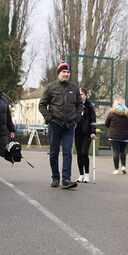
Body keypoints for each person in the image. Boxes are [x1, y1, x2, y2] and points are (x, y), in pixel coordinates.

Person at [38, 61, 82, 189]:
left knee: (67, 151)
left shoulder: (74, 88)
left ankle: (66, 178)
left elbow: (80, 104)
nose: (66, 74)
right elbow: (42, 105)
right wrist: (49, 118)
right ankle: (55, 177)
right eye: (63, 72)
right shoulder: (50, 87)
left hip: (69, 125)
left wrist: (77, 118)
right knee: (54, 152)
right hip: (55, 124)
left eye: (68, 72)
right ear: (58, 73)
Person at [75, 88, 98, 183]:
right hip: (77, 132)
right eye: (79, 94)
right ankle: (81, 174)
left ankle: (87, 174)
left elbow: (93, 119)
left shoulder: (89, 106)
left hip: (87, 133)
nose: (81, 96)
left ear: (86, 95)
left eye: (82, 94)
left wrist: (93, 131)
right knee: (79, 154)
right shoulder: (75, 106)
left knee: (84, 152)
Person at [104, 104, 128, 174]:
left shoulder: (111, 114)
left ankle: (116, 169)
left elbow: (106, 123)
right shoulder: (127, 115)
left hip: (114, 136)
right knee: (123, 151)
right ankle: (123, 166)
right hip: (124, 136)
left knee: (116, 151)